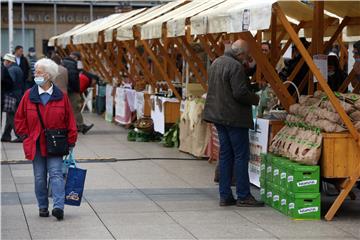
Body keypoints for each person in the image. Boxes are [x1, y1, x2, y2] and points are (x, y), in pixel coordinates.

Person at [14, 58, 77, 220]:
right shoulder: (29, 95)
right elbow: (19, 118)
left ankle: (58, 207)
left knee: (56, 174)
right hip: (35, 143)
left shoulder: (61, 97)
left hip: (56, 143)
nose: (36, 75)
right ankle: (43, 206)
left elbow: (70, 120)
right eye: (35, 72)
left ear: (48, 75)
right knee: (40, 177)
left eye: (39, 72)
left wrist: (71, 139)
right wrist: (25, 136)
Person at [203, 39, 263, 207]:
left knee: (225, 155)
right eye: (246, 55)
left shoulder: (217, 62)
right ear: (240, 53)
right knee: (240, 156)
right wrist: (257, 98)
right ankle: (243, 195)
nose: (247, 58)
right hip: (234, 117)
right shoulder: (235, 66)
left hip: (218, 116)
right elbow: (240, 93)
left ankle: (225, 195)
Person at [62, 52, 93, 134]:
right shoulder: (72, 64)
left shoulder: (64, 62)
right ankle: (80, 126)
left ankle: (75, 126)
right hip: (72, 90)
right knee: (75, 107)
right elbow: (73, 79)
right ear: (76, 58)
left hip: (65, 89)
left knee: (70, 108)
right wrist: (77, 89)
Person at [1, 53, 24, 143]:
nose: (4, 63)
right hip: (18, 94)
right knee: (9, 115)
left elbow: (10, 82)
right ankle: (6, 135)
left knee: (11, 116)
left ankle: (20, 135)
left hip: (11, 95)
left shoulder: (11, 70)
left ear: (9, 61)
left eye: (5, 61)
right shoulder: (18, 68)